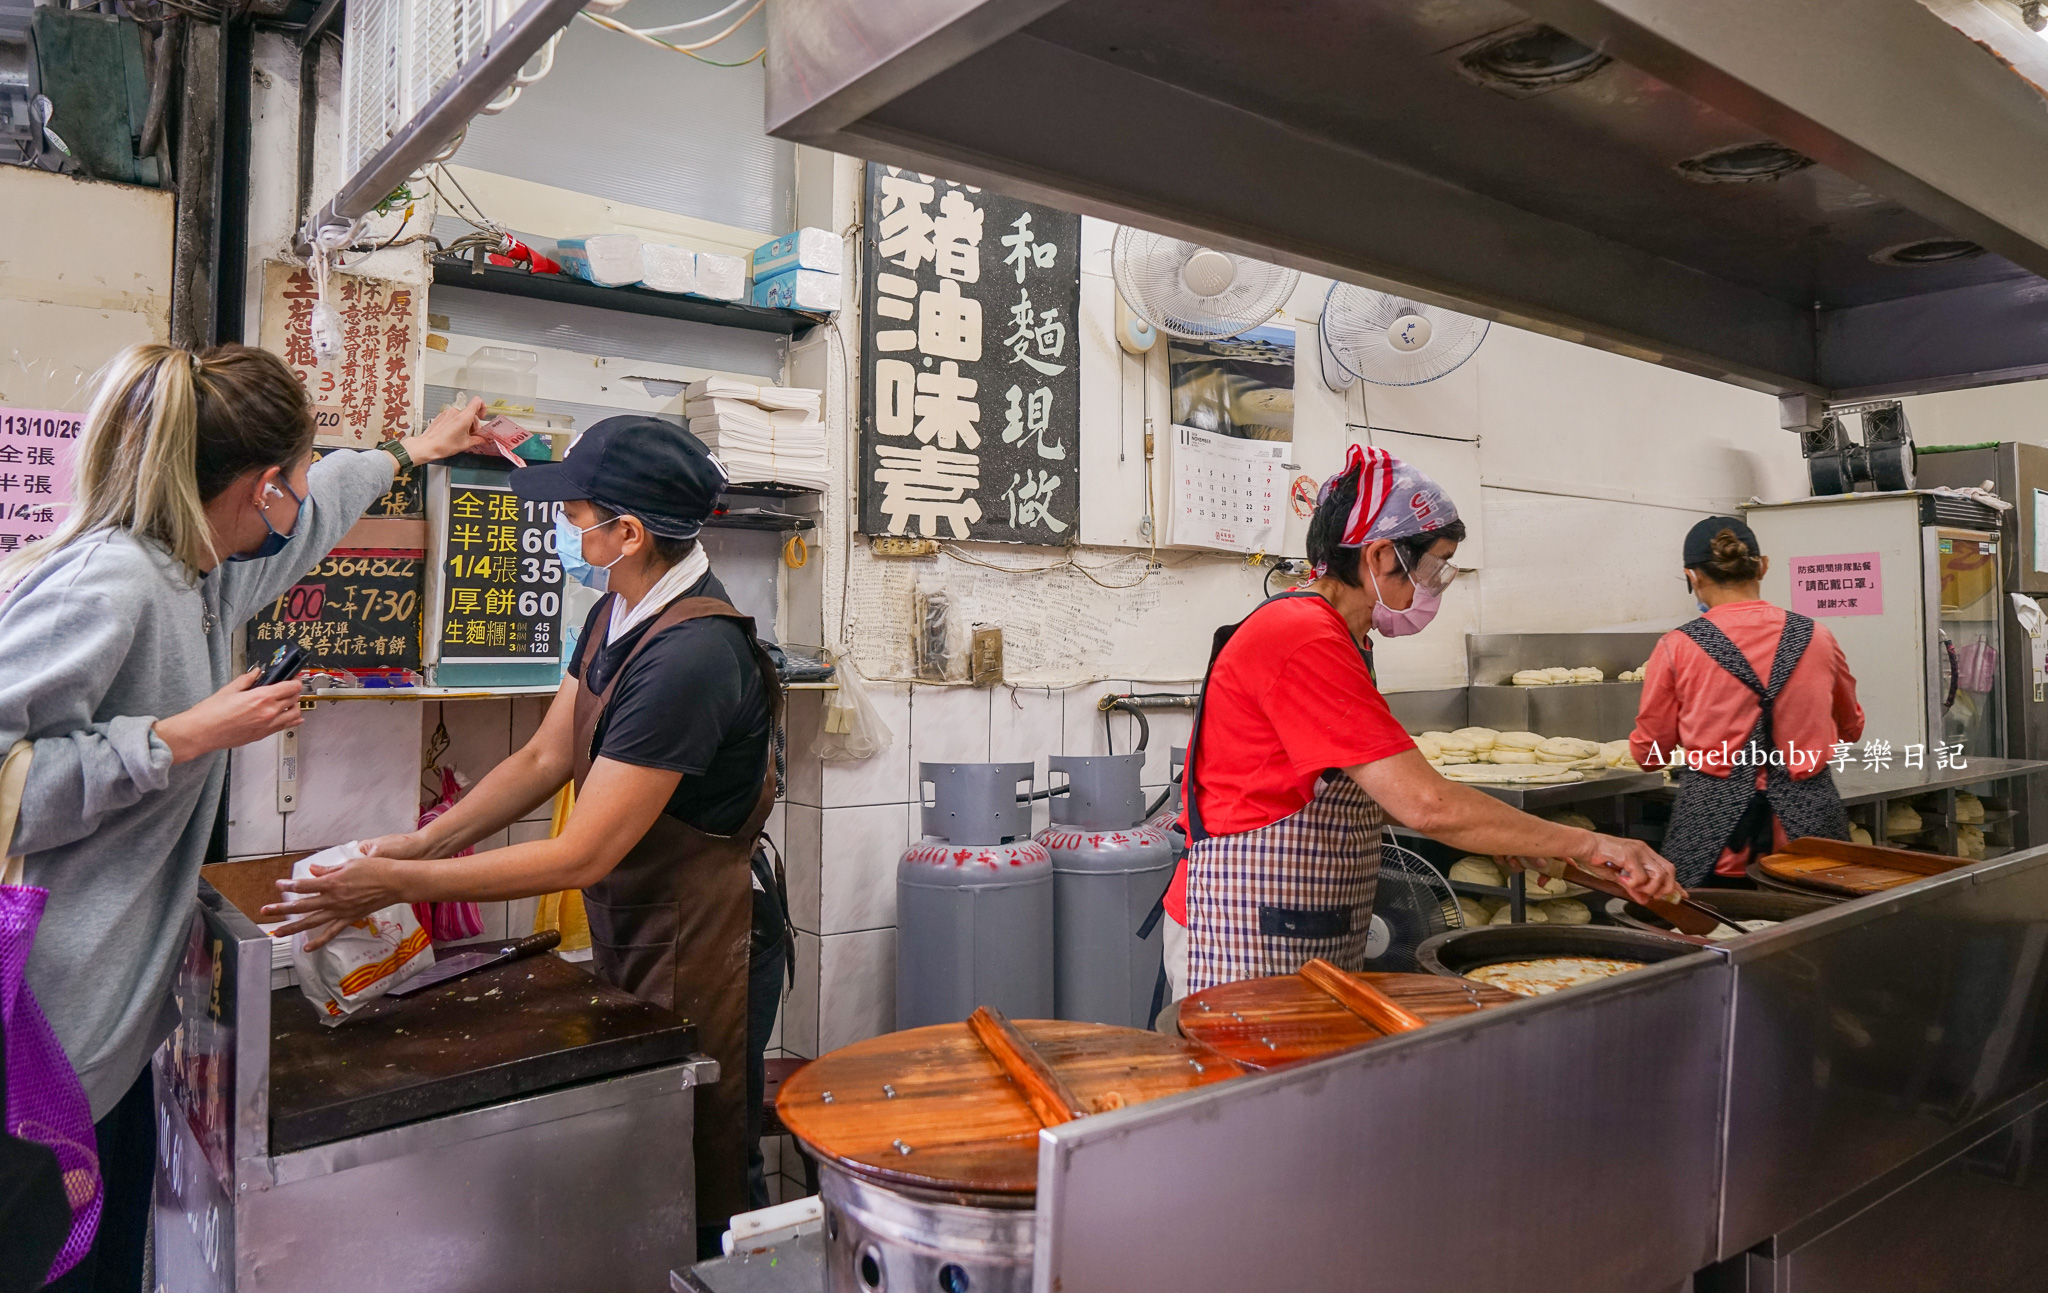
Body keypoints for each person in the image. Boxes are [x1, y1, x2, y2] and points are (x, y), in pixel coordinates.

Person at [0, 343, 485, 1293]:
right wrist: (177, 738)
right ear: (261, 487)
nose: (304, 500)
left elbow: (325, 512)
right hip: (41, 1058)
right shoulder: (115, 582)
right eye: (296, 479)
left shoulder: (199, 575)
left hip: (104, 1044)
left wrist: (410, 451)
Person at [264, 415, 781, 1255]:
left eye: (576, 515)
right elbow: (545, 754)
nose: (564, 530)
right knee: (653, 1146)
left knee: (706, 1160)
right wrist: (416, 845)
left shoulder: (690, 657)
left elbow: (584, 853)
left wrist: (398, 886)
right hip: (648, 925)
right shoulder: (620, 608)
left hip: (712, 939)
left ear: (629, 532)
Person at [1167, 445, 1681, 997]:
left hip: (1291, 921)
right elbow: (1426, 805)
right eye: (1434, 565)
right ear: (1381, 555)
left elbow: (1376, 788)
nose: (1435, 584)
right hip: (1245, 929)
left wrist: (1514, 837)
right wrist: (1588, 845)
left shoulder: (1341, 636)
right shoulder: (1304, 636)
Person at [1629, 516, 1863, 887]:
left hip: (1712, 835)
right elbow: (1851, 727)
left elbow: (1650, 755)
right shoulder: (1818, 636)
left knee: (1710, 935)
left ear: (1693, 576)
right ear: (1763, 566)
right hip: (1810, 833)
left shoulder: (1677, 647)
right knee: (1818, 935)